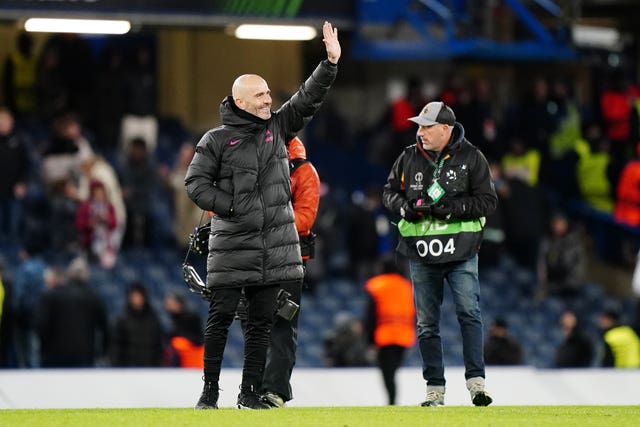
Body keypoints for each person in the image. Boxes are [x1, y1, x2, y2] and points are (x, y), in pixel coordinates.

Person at [184, 21, 340, 410]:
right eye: (260, 94)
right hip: (233, 245)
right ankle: (209, 393)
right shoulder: (215, 140)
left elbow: (308, 98)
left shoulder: (279, 128)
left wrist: (330, 63)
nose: (268, 99)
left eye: (269, 92)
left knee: (259, 327)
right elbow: (195, 184)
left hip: (273, 250)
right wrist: (232, 206)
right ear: (239, 101)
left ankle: (249, 394)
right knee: (219, 322)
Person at [383, 100, 497, 407]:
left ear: (445, 129)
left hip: (460, 252)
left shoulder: (472, 157)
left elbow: (488, 201)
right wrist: (405, 206)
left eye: (426, 126)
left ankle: (477, 384)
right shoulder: (408, 156)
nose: (419, 131)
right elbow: (389, 193)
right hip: (423, 253)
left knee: (468, 315)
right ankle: (434, 390)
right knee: (426, 324)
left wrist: (454, 209)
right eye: (419, 126)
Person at [261, 135, 321, 408]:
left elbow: (306, 219)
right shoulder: (250, 164)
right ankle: (256, 388)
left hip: (289, 258)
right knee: (256, 324)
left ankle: (275, 391)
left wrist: (260, 220)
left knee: (283, 325)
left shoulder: (303, 171)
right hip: (254, 257)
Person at [35, 256, 109, 367]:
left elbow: (40, 325)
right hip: (84, 356)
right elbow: (105, 328)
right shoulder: (94, 298)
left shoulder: (51, 295)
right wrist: (102, 352)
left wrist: (45, 346)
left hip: (53, 355)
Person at [363, 257, 416, 405]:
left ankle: (392, 402)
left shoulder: (376, 285)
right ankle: (392, 400)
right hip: (404, 335)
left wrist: (370, 340)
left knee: (387, 372)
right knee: (392, 370)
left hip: (385, 335)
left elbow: (371, 315)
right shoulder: (406, 286)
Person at [110, 282, 164, 367]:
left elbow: (158, 343)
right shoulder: (123, 319)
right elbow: (117, 345)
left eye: (138, 296)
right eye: (134, 296)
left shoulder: (153, 318)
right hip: (129, 367)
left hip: (150, 366)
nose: (136, 299)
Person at [162, 290, 204, 368]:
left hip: (193, 359)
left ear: (179, 303)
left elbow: (197, 339)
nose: (168, 305)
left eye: (172, 302)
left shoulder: (191, 318)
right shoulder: (172, 319)